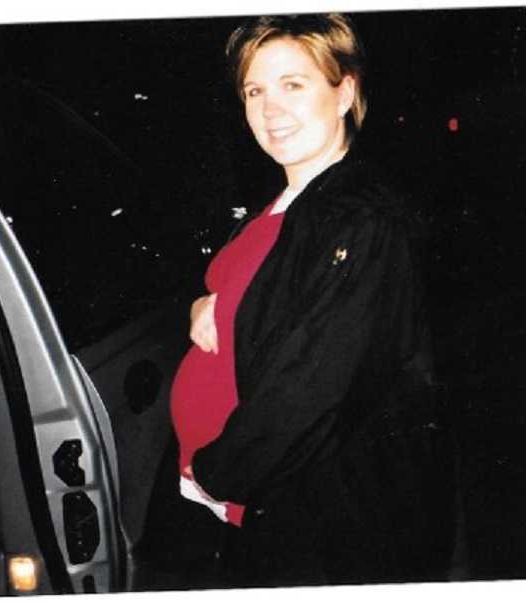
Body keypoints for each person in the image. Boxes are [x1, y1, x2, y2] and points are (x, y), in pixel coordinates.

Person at [170, 13, 454, 587]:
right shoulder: (288, 203)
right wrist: (204, 306)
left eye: (293, 85)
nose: (270, 109)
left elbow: (313, 386)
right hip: (271, 506)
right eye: (255, 90)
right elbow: (255, 300)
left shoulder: (358, 217)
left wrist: (214, 474)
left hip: (321, 516)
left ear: (345, 91)